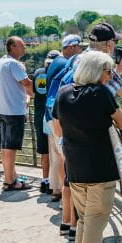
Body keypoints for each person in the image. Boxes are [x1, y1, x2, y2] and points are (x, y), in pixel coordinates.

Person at [51, 50, 122, 243]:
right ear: (98, 71)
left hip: (75, 168)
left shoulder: (64, 93)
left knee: (85, 222)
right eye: (109, 71)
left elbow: (58, 130)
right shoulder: (100, 93)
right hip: (100, 169)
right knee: (95, 223)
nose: (110, 77)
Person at [44, 34, 85, 230]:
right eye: (79, 47)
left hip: (54, 121)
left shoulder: (58, 65)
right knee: (71, 174)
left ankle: (66, 221)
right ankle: (72, 223)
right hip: (62, 125)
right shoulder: (68, 69)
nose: (81, 50)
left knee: (66, 172)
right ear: (70, 47)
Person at [0, 36, 33, 190]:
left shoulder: (0, 62)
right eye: (22, 45)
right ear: (13, 47)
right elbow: (27, 83)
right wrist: (33, 94)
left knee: (5, 146)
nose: (24, 48)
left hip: (2, 109)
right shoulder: (13, 64)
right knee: (11, 147)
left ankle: (10, 177)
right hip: (14, 110)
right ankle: (10, 181)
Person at [33, 49, 61, 195]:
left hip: (39, 115)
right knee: (56, 151)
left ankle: (45, 181)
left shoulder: (38, 73)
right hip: (52, 116)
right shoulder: (58, 73)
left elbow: (35, 92)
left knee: (44, 150)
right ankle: (57, 185)